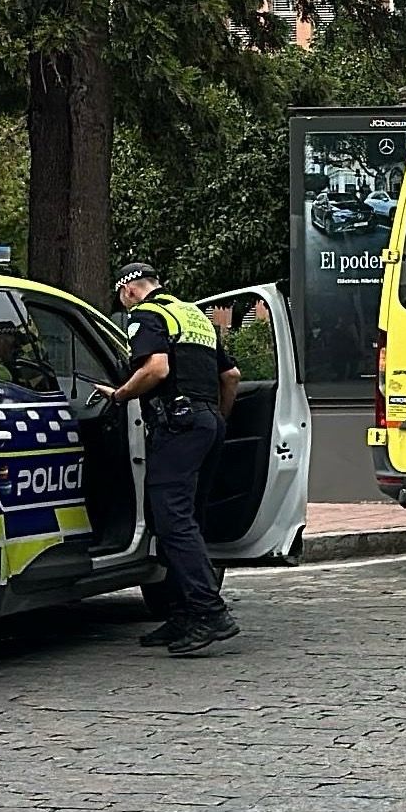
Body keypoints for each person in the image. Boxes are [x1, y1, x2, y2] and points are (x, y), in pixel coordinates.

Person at [98, 263, 241, 656]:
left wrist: (120, 394)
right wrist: (216, 419)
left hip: (177, 426)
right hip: (206, 422)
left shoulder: (146, 315)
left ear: (128, 292)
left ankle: (209, 611)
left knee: (172, 519)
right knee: (185, 519)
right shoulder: (193, 315)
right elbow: (231, 376)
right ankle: (182, 614)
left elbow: (156, 368)